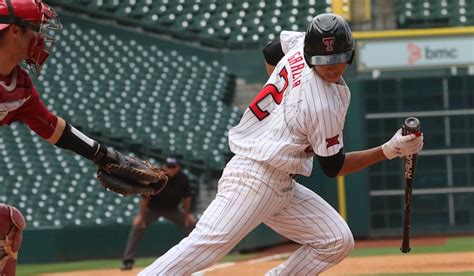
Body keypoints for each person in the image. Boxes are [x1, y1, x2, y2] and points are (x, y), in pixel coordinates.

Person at [139, 13, 424, 275]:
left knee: (336, 240)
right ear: (312, 55)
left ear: (349, 53)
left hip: (280, 180)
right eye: (324, 59)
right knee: (204, 246)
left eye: (338, 57)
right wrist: (390, 150)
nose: (332, 65)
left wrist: (283, 97)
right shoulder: (322, 103)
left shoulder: (302, 46)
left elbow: (271, 50)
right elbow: (333, 167)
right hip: (254, 177)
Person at [0, 1, 162, 274]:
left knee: (7, 223)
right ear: (15, 31)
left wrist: (104, 156)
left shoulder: (20, 85)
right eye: (37, 29)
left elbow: (51, 127)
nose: (42, 37)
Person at [121, 156, 196, 270]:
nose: (171, 169)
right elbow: (145, 198)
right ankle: (128, 261)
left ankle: (195, 257)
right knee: (137, 226)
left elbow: (187, 198)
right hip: (152, 209)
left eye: (173, 167)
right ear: (164, 167)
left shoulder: (182, 178)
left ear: (178, 167)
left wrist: (186, 216)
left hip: (173, 209)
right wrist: (141, 217)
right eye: (168, 167)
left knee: (191, 225)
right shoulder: (156, 176)